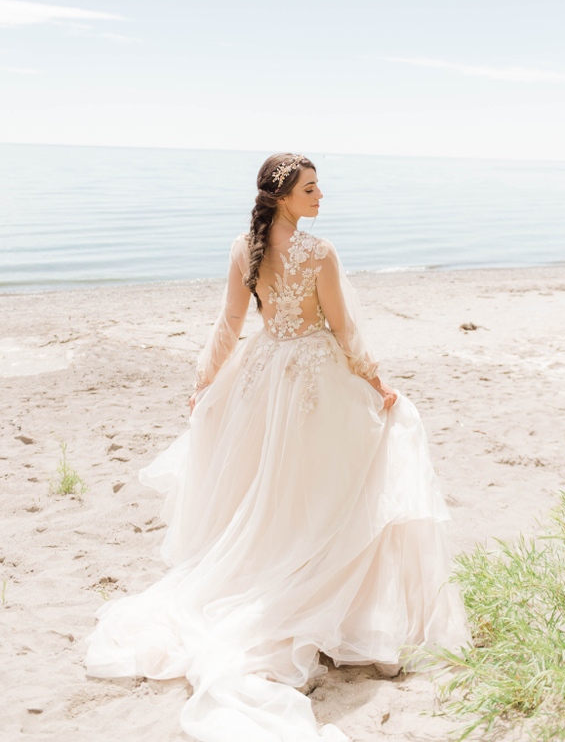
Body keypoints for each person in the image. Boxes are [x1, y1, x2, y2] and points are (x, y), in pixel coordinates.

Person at [85, 153, 470, 742]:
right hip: (314, 377)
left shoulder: (245, 247)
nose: (321, 196)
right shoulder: (320, 253)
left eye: (319, 187)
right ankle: (317, 594)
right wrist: (378, 382)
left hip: (263, 376)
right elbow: (345, 332)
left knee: (273, 490)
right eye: (311, 189)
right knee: (328, 489)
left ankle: (286, 577)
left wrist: (206, 382)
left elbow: (229, 324)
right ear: (284, 195)